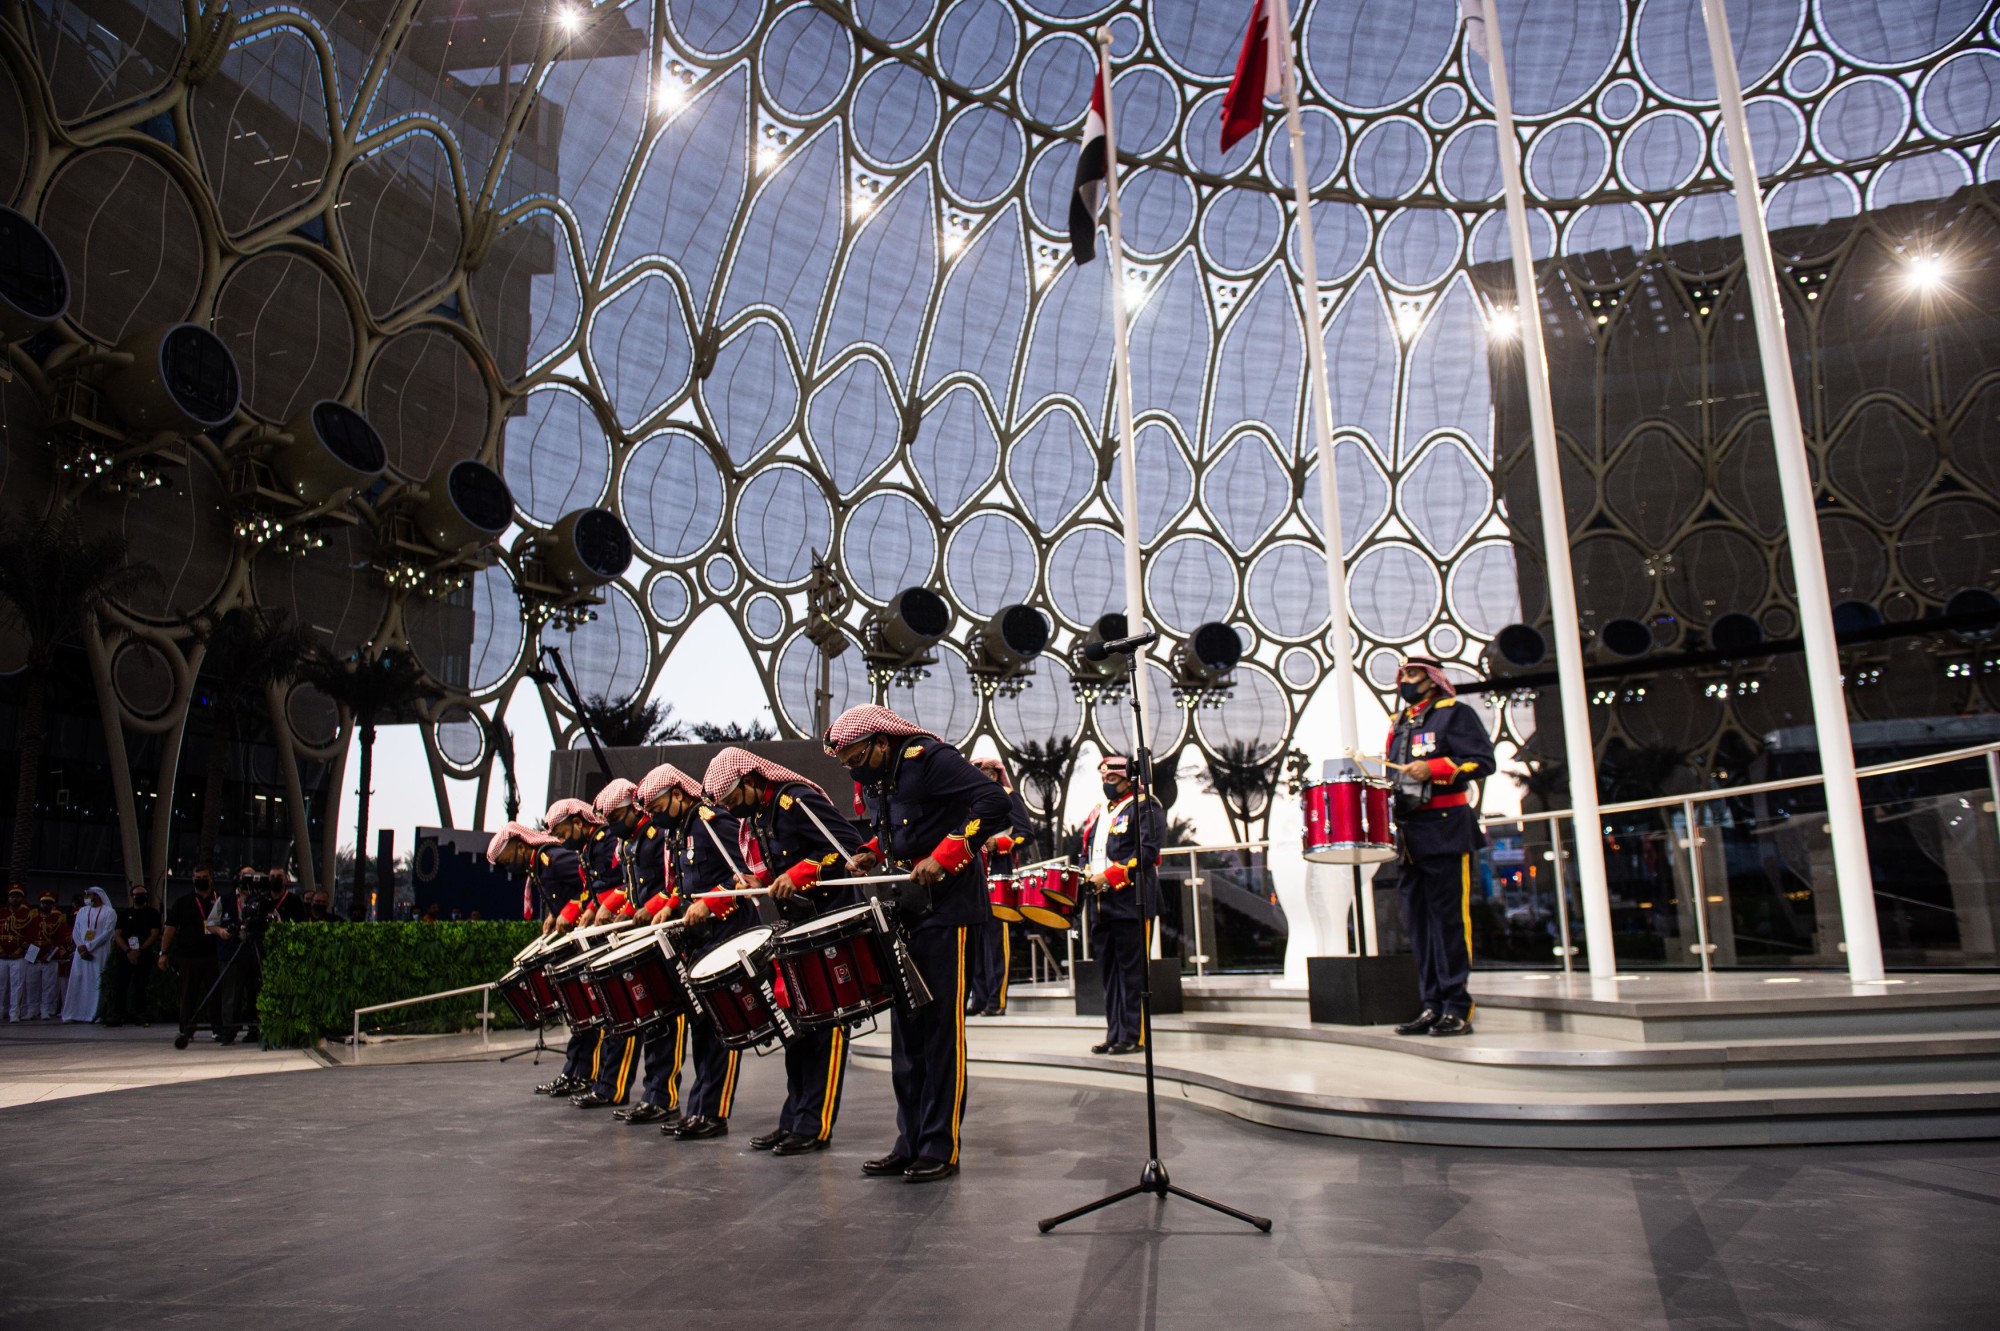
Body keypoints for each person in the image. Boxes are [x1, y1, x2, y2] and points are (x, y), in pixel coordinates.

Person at [827, 704, 1013, 1184]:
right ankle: (908, 1141)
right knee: (907, 1035)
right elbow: (898, 828)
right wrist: (871, 853)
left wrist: (948, 854)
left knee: (939, 1033)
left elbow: (994, 803)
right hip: (904, 906)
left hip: (947, 909)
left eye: (855, 758)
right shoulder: (881, 776)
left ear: (881, 742)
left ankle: (939, 1145)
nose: (852, 768)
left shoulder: (927, 757)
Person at [702, 746, 865, 1159]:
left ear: (753, 781)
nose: (732, 810)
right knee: (796, 1029)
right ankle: (792, 1117)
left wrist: (800, 873)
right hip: (793, 927)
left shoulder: (796, 800)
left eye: (734, 799)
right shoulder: (759, 818)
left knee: (824, 1027)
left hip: (825, 924)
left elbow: (847, 847)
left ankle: (815, 1124)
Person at [1386, 656, 1496, 1039]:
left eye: (1412, 674)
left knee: (1449, 924)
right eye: (1402, 675)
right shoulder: (1399, 723)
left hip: (1445, 829)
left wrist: (1435, 768)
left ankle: (1456, 1007)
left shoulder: (1454, 713)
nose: (1405, 680)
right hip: (1409, 836)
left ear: (1433, 680)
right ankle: (1431, 1004)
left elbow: (1481, 761)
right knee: (1418, 927)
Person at [643, 764, 749, 1142]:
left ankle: (714, 1113)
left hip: (728, 932)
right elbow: (687, 883)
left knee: (720, 1028)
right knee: (702, 1029)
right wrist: (672, 904)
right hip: (702, 939)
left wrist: (709, 903)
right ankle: (697, 1108)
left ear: (678, 794)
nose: (655, 816)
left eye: (657, 807)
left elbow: (745, 874)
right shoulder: (683, 830)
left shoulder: (711, 820)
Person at [490, 814, 593, 1096]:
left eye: (508, 859)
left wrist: (570, 912)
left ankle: (586, 1074)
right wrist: (553, 915)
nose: (509, 866)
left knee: (587, 1014)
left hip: (586, 939)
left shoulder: (553, 859)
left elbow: (590, 882)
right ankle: (574, 1072)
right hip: (571, 940)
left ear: (521, 846)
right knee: (578, 1016)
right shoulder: (538, 867)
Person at [1078, 754, 1167, 1057]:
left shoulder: (1146, 805)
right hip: (1100, 903)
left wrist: (1110, 876)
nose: (1107, 783)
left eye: (1112, 779)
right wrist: (1087, 873)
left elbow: (1147, 853)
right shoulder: (1098, 811)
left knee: (1132, 973)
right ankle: (1114, 1032)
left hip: (1132, 899)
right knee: (1109, 973)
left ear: (1128, 778)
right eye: (1103, 779)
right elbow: (1085, 851)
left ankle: (1133, 1035)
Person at [571, 779, 646, 1110]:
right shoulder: (623, 842)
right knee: (614, 1014)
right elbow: (625, 889)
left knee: (635, 1016)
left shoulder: (642, 837)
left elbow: (657, 887)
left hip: (649, 933)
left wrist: (619, 909)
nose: (612, 826)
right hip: (627, 928)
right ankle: (607, 1083)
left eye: (615, 818)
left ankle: (621, 1088)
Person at [966, 758, 1032, 1018]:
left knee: (995, 938)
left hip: (998, 872)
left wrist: (1001, 843)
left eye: (981, 772)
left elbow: (1025, 833)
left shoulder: (1008, 796)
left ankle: (997, 999)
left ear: (994, 774)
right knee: (977, 938)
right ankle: (979, 998)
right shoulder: (969, 800)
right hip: (975, 873)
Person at [161, 869, 222, 1049]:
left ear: (211, 880)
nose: (201, 881)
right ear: (192, 880)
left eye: (205, 878)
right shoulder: (183, 902)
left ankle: (218, 1028)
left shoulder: (219, 900)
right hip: (188, 956)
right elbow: (170, 928)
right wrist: (163, 952)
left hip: (214, 954)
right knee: (188, 993)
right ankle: (187, 1028)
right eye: (198, 878)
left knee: (216, 994)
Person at [105, 883, 161, 1026]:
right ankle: (117, 1015)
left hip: (144, 954)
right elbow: (117, 935)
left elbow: (154, 934)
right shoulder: (124, 914)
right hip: (125, 954)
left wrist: (140, 950)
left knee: (140, 985)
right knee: (121, 985)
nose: (139, 898)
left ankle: (141, 1014)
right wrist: (128, 951)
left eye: (142, 895)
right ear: (132, 897)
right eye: (137, 895)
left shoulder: (153, 914)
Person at [63, 886, 117, 1023]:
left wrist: (89, 946)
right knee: (78, 979)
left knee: (96, 981)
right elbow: (76, 931)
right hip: (81, 952)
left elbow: (107, 933)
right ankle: (74, 1013)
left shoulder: (109, 912)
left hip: (99, 952)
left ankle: (94, 1013)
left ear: (98, 896)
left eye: (89, 895)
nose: (86, 898)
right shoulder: (82, 911)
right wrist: (80, 946)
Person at [27, 890, 67, 1019]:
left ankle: (46, 1009)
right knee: (32, 984)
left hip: (50, 958)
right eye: (44, 903)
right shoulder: (33, 918)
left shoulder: (58, 920)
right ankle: (32, 1009)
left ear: (53, 905)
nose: (46, 905)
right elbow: (27, 937)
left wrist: (49, 955)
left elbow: (60, 940)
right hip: (33, 955)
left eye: (49, 903)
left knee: (49, 986)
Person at [1, 885, 40, 1021]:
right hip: (2, 955)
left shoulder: (29, 915)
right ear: (8, 898)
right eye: (12, 896)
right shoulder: (2, 913)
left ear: (22, 898)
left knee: (17, 986)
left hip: (18, 956)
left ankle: (14, 1013)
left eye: (18, 896)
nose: (14, 899)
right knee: (1, 986)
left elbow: (31, 935)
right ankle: (1, 1010)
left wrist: (20, 950)